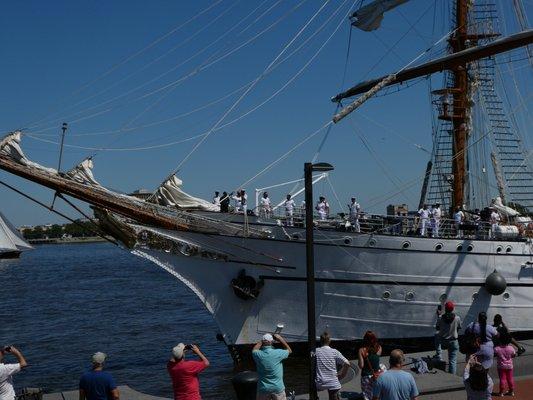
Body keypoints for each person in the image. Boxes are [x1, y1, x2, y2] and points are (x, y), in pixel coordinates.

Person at [252, 333, 292, 400]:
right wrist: (280, 339)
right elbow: (289, 350)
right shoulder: (278, 353)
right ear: (272, 342)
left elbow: (254, 350)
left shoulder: (258, 354)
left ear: (262, 341)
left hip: (263, 388)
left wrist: (262, 341)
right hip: (277, 387)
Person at [315, 332, 350, 400]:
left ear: (320, 341)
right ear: (329, 341)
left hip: (320, 383)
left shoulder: (316, 351)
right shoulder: (334, 352)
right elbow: (347, 363)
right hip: (333, 382)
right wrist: (342, 375)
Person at [435, 301, 461, 374]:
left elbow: (437, 328)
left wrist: (438, 316)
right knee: (452, 360)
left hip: (443, 341)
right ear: (452, 309)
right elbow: (458, 328)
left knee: (436, 335)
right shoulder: (457, 318)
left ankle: (439, 354)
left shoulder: (441, 318)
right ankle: (452, 376)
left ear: (445, 309)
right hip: (453, 341)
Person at [358, 331, 383, 400]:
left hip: (366, 377)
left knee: (367, 396)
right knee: (377, 395)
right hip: (376, 375)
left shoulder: (361, 350)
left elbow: (361, 366)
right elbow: (376, 361)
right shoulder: (379, 348)